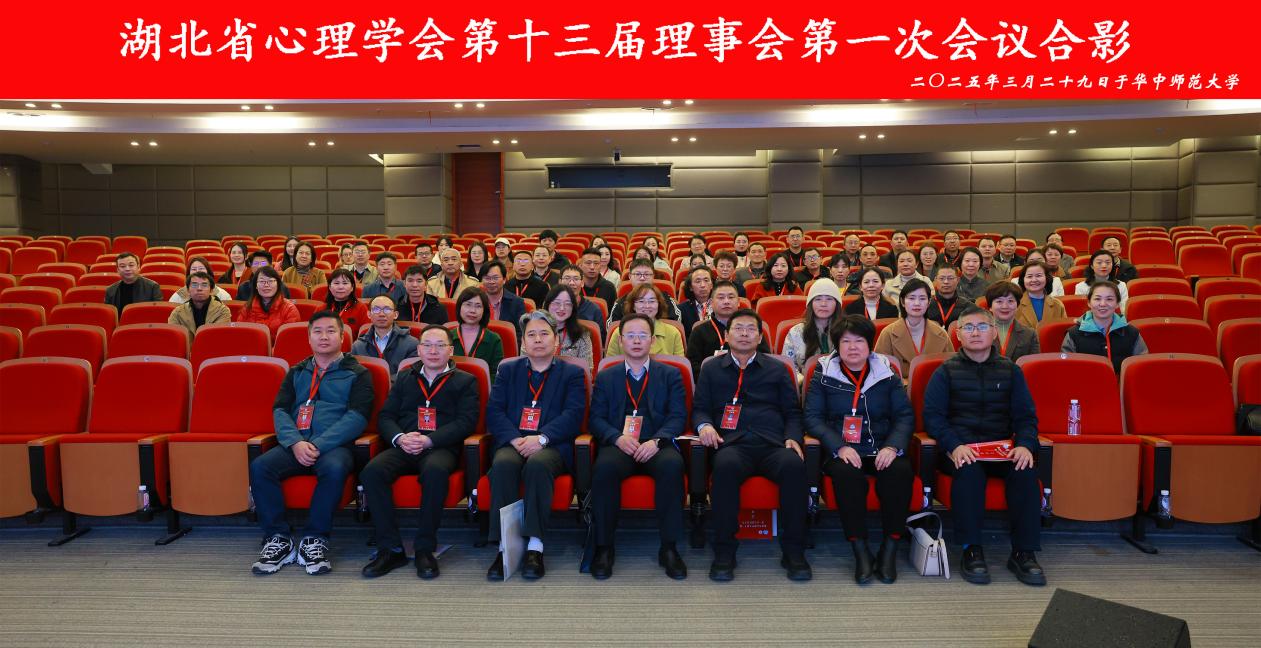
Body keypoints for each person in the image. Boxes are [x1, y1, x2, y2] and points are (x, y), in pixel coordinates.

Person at [922, 305, 1045, 586]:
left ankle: (1024, 552)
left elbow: (1026, 417)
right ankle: (971, 549)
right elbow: (933, 418)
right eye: (968, 328)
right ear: (958, 335)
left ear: (994, 332)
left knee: (1025, 471)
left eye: (981, 327)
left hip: (1001, 449)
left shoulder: (1011, 371)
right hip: (961, 450)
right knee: (969, 472)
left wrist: (1025, 445)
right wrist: (954, 446)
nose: (975, 333)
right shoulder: (945, 372)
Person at [249, 311, 374, 576]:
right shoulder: (297, 371)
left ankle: (315, 538)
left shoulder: (358, 372)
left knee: (334, 468)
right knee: (261, 466)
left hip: (334, 446)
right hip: (296, 443)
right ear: (309, 338)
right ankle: (278, 538)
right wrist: (295, 442)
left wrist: (317, 444)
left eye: (331, 331)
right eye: (317, 331)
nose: (324, 336)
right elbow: (280, 410)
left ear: (342, 337)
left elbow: (357, 417)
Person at [694, 308, 811, 582]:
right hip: (732, 444)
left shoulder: (777, 368)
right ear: (726, 335)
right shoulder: (711, 368)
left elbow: (793, 411)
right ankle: (725, 550)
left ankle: (794, 550)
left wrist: (792, 437)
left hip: (773, 443)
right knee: (724, 467)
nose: (744, 334)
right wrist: (705, 426)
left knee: (794, 466)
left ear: (760, 337)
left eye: (751, 329)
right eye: (738, 328)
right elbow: (700, 408)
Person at [359, 325, 480, 579]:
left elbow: (466, 422)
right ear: (419, 350)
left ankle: (425, 548)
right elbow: (386, 417)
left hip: (440, 447)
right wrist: (401, 438)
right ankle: (391, 548)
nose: (433, 351)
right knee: (372, 472)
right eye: (427, 345)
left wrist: (429, 440)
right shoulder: (405, 377)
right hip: (405, 444)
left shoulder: (466, 381)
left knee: (435, 472)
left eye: (440, 345)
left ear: (451, 350)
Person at [804, 315, 915, 584]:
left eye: (859, 341)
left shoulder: (886, 372)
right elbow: (812, 418)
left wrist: (892, 446)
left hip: (882, 445)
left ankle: (890, 546)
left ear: (870, 344)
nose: (853, 347)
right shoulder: (823, 372)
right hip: (842, 449)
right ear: (837, 345)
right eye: (846, 342)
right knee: (847, 475)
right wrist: (839, 447)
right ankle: (860, 548)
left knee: (899, 471)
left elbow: (904, 415)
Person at [484, 311, 587, 581]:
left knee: (538, 466)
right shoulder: (508, 370)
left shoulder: (572, 373)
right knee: (503, 464)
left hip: (552, 445)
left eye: (544, 334)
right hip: (514, 441)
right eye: (531, 335)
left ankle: (535, 546)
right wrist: (515, 439)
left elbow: (574, 414)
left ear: (556, 340)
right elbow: (495, 411)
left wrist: (541, 439)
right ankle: (504, 546)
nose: (538, 340)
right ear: (523, 342)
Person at [587, 313, 689, 580]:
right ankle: (604, 547)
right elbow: (595, 418)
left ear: (652, 341)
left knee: (672, 465)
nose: (636, 341)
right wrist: (616, 438)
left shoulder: (670, 374)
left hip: (656, 443)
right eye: (630, 335)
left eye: (642, 335)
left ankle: (669, 547)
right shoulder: (606, 376)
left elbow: (678, 416)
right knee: (604, 468)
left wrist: (657, 441)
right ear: (620, 341)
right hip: (619, 444)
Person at [685, 281, 771, 379]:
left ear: (738, 302)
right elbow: (693, 366)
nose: (726, 301)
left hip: (752, 380)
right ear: (711, 303)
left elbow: (765, 359)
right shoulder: (699, 331)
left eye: (731, 297)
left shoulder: (751, 329)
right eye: (721, 298)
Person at [1062, 281, 1148, 374]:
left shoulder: (1132, 333)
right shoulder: (1073, 334)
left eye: (1109, 299)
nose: (1103, 304)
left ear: (1117, 303)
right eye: (1097, 299)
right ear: (1089, 303)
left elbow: (1140, 368)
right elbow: (1068, 370)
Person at [874, 278, 953, 377]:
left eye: (922, 298)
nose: (917, 303)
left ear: (929, 302)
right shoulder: (888, 333)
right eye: (911, 298)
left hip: (935, 385)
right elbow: (878, 369)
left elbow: (952, 369)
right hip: (899, 385)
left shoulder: (940, 333)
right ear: (902, 302)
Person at [783, 278, 843, 375]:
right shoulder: (796, 332)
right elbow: (787, 366)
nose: (823, 304)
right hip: (804, 382)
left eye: (829, 299)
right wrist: (802, 380)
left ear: (837, 304)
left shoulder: (846, 330)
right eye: (818, 299)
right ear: (811, 304)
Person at [607, 284, 685, 357]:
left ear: (659, 304)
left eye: (652, 301)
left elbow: (680, 365)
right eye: (641, 301)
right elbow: (611, 364)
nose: (647, 306)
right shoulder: (619, 333)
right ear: (633, 306)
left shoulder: (673, 333)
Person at [350, 296, 419, 376]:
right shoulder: (358, 346)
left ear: (395, 315)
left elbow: (411, 376)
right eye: (376, 309)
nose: (381, 314)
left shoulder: (411, 344)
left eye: (387, 309)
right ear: (369, 314)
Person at [605, 258, 682, 328]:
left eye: (647, 274)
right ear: (630, 276)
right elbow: (612, 327)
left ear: (653, 276)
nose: (642, 278)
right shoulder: (621, 302)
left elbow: (676, 323)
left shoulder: (665, 298)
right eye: (637, 274)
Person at [449, 286, 505, 379]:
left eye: (478, 306)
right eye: (468, 304)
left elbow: (496, 375)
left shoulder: (494, 339)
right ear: (459, 307)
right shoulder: (447, 337)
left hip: (482, 387)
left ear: (484, 311)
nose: (472, 311)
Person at [236, 266, 300, 337]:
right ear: (256, 286)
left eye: (271, 281)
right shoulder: (247, 308)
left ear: (278, 284)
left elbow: (290, 338)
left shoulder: (289, 309)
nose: (266, 285)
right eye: (262, 281)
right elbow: (240, 334)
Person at [543, 285, 594, 370]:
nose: (562, 308)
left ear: (573, 307)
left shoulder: (582, 335)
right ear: (548, 304)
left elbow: (587, 370)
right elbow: (526, 365)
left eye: (567, 304)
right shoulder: (534, 332)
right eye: (557, 303)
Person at [986, 283, 1040, 362]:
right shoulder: (977, 331)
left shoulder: (1030, 334)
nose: (1005, 306)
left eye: (1010, 301)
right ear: (990, 307)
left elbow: (1033, 365)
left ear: (1017, 306)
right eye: (999, 301)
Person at [168, 271, 232, 335]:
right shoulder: (177, 313)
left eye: (204, 285)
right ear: (188, 290)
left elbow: (218, 335)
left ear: (211, 291)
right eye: (194, 285)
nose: (199, 288)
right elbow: (174, 336)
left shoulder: (222, 311)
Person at [557, 264, 608, 343]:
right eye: (567, 278)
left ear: (582, 283)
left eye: (576, 279)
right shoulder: (553, 307)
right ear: (560, 282)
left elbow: (599, 341)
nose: (571, 283)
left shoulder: (594, 309)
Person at [1014, 262, 1067, 329]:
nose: (1034, 280)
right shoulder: (1015, 304)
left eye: (1038, 276)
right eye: (1029, 276)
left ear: (1047, 278)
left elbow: (1063, 330)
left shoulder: (1057, 305)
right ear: (1023, 280)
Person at [480, 261, 527, 335]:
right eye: (487, 278)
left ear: (504, 279)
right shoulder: (475, 301)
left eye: (495, 278)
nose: (491, 282)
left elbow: (522, 333)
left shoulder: (517, 303)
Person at [323, 269, 370, 334]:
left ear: (352, 287)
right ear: (330, 287)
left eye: (345, 283)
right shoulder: (321, 309)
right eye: (336, 283)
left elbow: (367, 335)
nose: (340, 287)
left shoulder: (361, 308)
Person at [678, 266, 716, 334]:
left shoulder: (721, 305)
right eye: (698, 281)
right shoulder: (681, 309)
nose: (702, 285)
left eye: (706, 280)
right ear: (690, 287)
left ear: (712, 285)